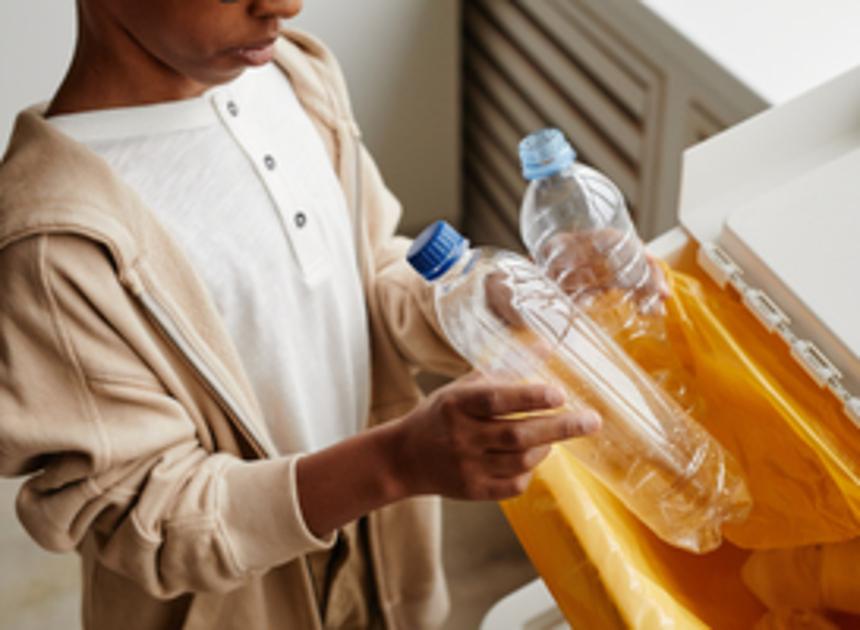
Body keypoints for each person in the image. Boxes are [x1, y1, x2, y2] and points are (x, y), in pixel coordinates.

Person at [0, 1, 600, 629]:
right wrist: (395, 464)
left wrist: (486, 302)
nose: (286, 4)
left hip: (382, 560)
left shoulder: (295, 75)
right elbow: (151, 519)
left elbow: (366, 275)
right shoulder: (54, 242)